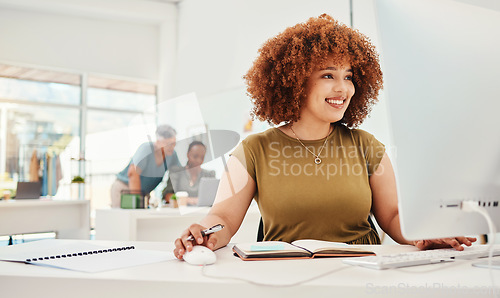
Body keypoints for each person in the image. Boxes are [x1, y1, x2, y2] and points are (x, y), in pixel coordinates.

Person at [173, 14, 476, 259]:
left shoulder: (367, 146)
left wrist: (423, 233)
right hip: (286, 278)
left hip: (363, 276)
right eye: (328, 75)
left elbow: (395, 216)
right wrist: (203, 234)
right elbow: (223, 216)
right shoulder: (256, 149)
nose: (343, 89)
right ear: (296, 82)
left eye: (348, 77)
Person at [110, 124, 181, 208]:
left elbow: (178, 173)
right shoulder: (146, 149)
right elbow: (133, 173)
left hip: (143, 194)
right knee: (126, 219)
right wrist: (138, 201)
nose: (171, 148)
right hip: (125, 189)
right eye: (168, 144)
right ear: (158, 142)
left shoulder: (172, 155)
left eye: (174, 144)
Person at [162, 141, 215, 205]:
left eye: (202, 157)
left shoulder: (209, 175)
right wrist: (188, 200)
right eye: (195, 156)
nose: (199, 160)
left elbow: (213, 198)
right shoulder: (176, 172)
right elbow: (167, 196)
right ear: (188, 155)